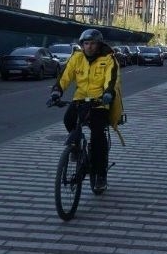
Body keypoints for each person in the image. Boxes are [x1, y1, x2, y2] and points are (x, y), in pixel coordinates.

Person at [49, 28, 122, 194]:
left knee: (98, 136)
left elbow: (112, 80)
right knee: (68, 119)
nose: (89, 47)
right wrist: (57, 92)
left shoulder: (108, 59)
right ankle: (75, 148)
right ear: (82, 45)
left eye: (92, 43)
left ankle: (100, 175)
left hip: (100, 102)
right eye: (86, 43)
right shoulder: (77, 57)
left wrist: (108, 93)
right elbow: (65, 77)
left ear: (99, 45)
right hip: (80, 99)